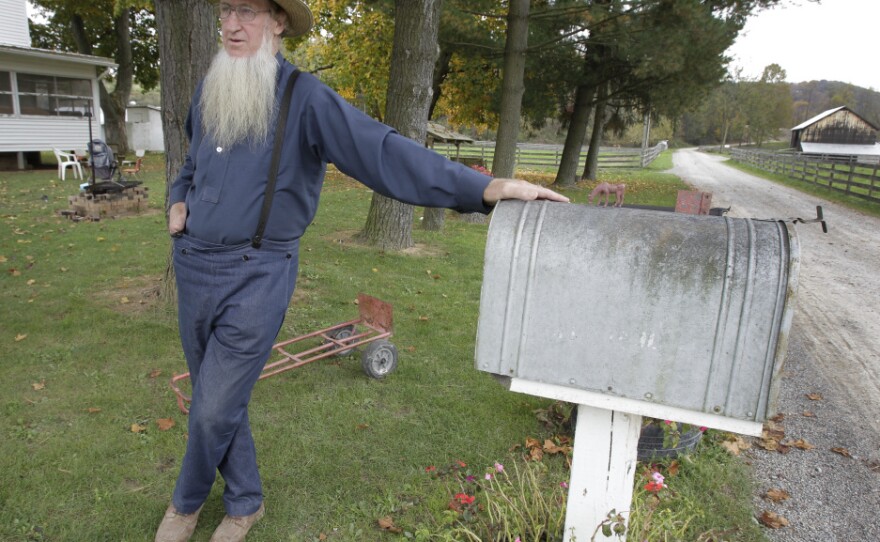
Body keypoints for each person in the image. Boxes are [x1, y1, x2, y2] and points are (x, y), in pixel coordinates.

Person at [155, 1, 569, 541]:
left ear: (278, 21)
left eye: (248, 12)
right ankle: (245, 502)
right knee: (221, 397)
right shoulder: (211, 87)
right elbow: (192, 163)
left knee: (211, 409)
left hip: (257, 275)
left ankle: (184, 505)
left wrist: (484, 188)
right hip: (194, 267)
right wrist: (178, 198)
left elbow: (383, 152)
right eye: (226, 10)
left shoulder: (304, 98)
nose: (232, 25)